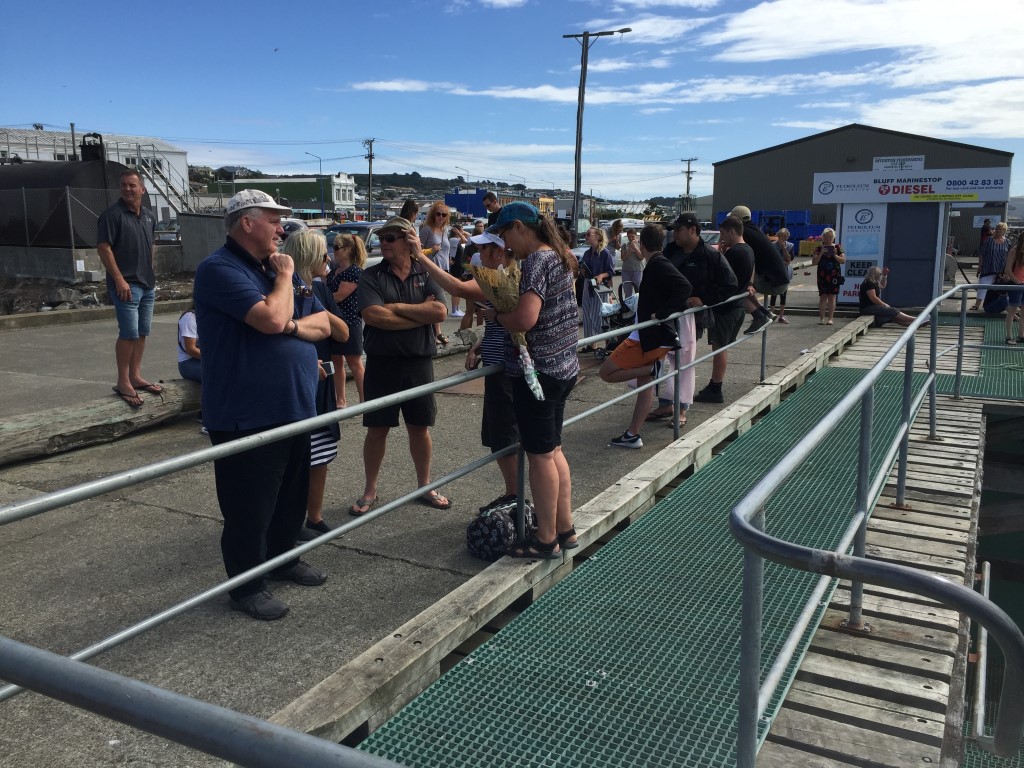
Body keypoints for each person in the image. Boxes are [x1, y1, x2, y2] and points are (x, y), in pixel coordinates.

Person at [193, 189, 331, 621]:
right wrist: (286, 279)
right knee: (249, 506)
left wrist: (287, 317)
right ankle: (247, 585)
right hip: (246, 412)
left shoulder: (266, 269)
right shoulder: (221, 269)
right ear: (246, 223)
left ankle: (283, 558)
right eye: (273, 219)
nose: (280, 228)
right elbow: (270, 319)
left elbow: (324, 323)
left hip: (292, 405)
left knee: (290, 496)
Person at [486, 202, 580, 558]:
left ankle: (545, 538)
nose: (506, 244)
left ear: (520, 228)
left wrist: (496, 315)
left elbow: (525, 318)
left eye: (506, 234)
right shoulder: (561, 255)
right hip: (564, 368)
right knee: (553, 450)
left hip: (538, 373)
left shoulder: (538, 261)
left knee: (539, 456)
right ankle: (565, 529)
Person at [409, 231, 522, 510]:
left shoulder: (501, 279)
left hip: (507, 369)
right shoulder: (504, 276)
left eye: (484, 249)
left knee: (505, 437)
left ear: (499, 251)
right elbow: (503, 324)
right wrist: (481, 345)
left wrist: (419, 256)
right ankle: (514, 493)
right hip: (500, 362)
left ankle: (515, 495)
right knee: (500, 436)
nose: (478, 254)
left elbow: (457, 288)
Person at [351, 215, 451, 517]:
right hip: (382, 364)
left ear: (409, 242)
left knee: (419, 428)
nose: (384, 243)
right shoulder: (371, 276)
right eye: (382, 238)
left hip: (418, 363)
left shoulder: (426, 272)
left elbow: (441, 312)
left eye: (391, 238)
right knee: (377, 429)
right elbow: (373, 316)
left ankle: (425, 486)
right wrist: (418, 314)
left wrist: (396, 307)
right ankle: (370, 489)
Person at [600, 223, 692, 448]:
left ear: (642, 244)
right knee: (645, 388)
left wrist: (661, 313)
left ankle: (652, 370)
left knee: (606, 372)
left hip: (646, 339)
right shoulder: (657, 263)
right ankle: (633, 434)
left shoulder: (658, 263)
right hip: (655, 338)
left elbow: (684, 286)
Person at [285, 231, 350, 541]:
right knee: (295, 459)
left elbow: (342, 333)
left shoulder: (318, 290)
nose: (329, 259)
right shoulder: (285, 289)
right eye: (324, 254)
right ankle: (290, 521)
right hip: (297, 385)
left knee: (321, 454)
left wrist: (315, 309)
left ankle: (315, 517)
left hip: (321, 384)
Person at [97, 170, 161, 409]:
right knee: (128, 333)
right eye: (124, 185)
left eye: (132, 185)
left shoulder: (148, 216)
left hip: (147, 283)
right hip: (126, 285)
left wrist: (151, 271)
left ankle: (135, 375)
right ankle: (123, 381)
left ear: (142, 189)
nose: (127, 189)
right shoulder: (111, 216)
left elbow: (151, 245)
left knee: (142, 332)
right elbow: (104, 248)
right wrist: (119, 279)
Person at [664, 212, 739, 405]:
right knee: (662, 359)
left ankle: (680, 406)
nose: (675, 234)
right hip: (666, 313)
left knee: (683, 359)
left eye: (678, 230)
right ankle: (666, 402)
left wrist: (704, 299)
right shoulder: (670, 251)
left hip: (689, 318)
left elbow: (730, 284)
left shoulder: (710, 255)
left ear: (692, 230)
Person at [728, 206, 785, 335]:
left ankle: (759, 317)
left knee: (738, 287)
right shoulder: (754, 230)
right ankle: (765, 312)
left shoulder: (745, 234)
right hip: (779, 279)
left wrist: (749, 284)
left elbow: (750, 261)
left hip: (772, 282)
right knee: (744, 285)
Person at [327, 233, 367, 407]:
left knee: (354, 363)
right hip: (335, 322)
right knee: (336, 362)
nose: (333, 250)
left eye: (337, 247)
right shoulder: (334, 270)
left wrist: (320, 300)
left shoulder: (354, 272)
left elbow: (339, 296)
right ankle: (340, 400)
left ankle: (365, 400)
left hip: (350, 321)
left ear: (348, 250)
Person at [419, 201, 459, 338]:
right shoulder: (427, 230)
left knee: (434, 300)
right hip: (430, 270)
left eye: (444, 214)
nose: (441, 217)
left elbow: (445, 250)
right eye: (438, 214)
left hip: (443, 270)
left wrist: (448, 261)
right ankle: (437, 333)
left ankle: (434, 333)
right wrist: (431, 250)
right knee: (439, 301)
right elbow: (417, 251)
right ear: (433, 215)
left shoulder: (445, 231)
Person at [579, 226, 614, 353]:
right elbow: (585, 270)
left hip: (600, 286)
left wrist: (601, 275)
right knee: (587, 314)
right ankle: (590, 343)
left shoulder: (605, 253)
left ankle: (607, 342)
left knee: (600, 314)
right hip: (588, 284)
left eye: (589, 234)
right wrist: (583, 271)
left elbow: (610, 271)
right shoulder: (587, 253)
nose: (586, 237)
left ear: (597, 236)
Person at [973, 222, 1011, 311]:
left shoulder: (1007, 242)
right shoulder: (989, 240)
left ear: (1004, 231)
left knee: (1001, 290)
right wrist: (980, 266)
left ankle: (1006, 307)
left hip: (1001, 270)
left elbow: (1010, 256)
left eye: (1000, 229)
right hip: (988, 268)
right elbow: (982, 253)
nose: (998, 230)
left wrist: (1008, 270)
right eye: (997, 228)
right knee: (983, 285)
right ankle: (977, 304)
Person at [813, 228, 846, 325]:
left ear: (833, 237)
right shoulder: (818, 248)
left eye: (831, 237)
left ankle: (830, 318)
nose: (828, 238)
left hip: (834, 275)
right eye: (826, 236)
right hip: (822, 275)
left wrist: (835, 254)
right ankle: (821, 318)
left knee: (832, 296)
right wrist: (821, 253)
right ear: (823, 237)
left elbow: (843, 261)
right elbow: (814, 262)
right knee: (823, 296)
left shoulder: (838, 247)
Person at [768, 228, 794, 324]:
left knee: (783, 294)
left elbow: (789, 259)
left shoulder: (790, 246)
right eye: (780, 236)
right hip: (774, 272)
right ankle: (771, 315)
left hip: (785, 273)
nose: (781, 238)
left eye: (784, 236)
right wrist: (780, 262)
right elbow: (770, 258)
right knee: (773, 293)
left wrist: (783, 248)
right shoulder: (772, 245)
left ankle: (781, 316)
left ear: (787, 237)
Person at [1001, 236, 1024, 344]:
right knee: (1012, 310)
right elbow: (1008, 270)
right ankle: (1009, 336)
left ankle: (1021, 335)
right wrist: (1017, 281)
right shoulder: (1014, 251)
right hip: (1016, 284)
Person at [177, 304, 201, 382]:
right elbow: (191, 350)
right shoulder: (190, 318)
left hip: (206, 359)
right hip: (188, 362)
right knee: (218, 374)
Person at [620, 228, 644, 297]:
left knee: (638, 290)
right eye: (629, 237)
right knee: (627, 292)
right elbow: (623, 258)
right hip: (626, 270)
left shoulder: (641, 245)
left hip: (637, 270)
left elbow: (641, 257)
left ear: (636, 236)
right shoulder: (625, 245)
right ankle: (628, 306)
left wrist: (635, 248)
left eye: (632, 236)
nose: (631, 238)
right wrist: (629, 251)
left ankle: (638, 306)